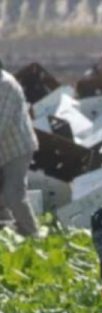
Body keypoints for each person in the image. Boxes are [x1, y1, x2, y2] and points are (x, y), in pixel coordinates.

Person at [0, 65, 40, 237]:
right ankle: (8, 233)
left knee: (13, 193)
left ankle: (32, 235)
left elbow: (1, 123)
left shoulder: (6, 85)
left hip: (17, 148)